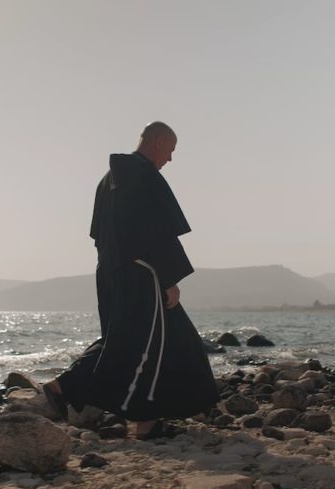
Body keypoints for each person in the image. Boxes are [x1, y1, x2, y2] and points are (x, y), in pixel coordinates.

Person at [43, 121, 219, 439]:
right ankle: (143, 421)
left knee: (125, 340)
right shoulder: (144, 176)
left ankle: (64, 388)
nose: (170, 160)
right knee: (154, 342)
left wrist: (112, 273)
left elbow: (98, 234)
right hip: (143, 272)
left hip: (110, 272)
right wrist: (168, 278)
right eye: (171, 151)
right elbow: (157, 234)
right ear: (159, 141)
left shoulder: (107, 181)